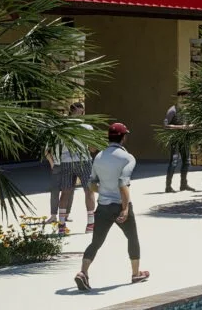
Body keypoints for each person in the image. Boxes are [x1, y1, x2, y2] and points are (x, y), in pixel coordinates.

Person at [75, 122, 148, 291]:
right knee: (132, 238)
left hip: (103, 207)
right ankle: (136, 274)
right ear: (123, 138)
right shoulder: (128, 158)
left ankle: (83, 273)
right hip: (119, 205)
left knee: (96, 242)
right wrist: (125, 208)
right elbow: (123, 183)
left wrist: (104, 191)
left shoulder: (99, 157)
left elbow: (91, 184)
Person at [44, 101, 95, 234]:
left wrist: (53, 162)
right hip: (84, 161)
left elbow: (53, 146)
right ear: (82, 112)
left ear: (70, 111)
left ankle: (61, 226)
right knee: (88, 191)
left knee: (65, 192)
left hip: (66, 162)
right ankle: (90, 224)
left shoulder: (61, 127)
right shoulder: (87, 127)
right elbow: (92, 148)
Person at [162, 92, 193, 192]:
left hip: (185, 139)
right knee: (174, 162)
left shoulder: (187, 110)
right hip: (175, 139)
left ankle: (183, 185)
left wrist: (192, 125)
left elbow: (189, 123)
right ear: (178, 98)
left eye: (186, 97)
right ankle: (168, 187)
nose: (185, 99)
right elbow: (165, 125)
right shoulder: (172, 110)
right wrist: (181, 127)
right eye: (183, 97)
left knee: (187, 162)